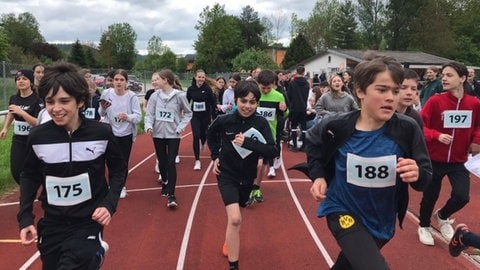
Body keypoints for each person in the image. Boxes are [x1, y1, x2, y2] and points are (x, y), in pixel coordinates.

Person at [305, 55, 432, 269]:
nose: (391, 97)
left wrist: (417, 172)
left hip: (381, 219)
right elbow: (312, 142)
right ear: (360, 92)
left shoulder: (408, 128)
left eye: (395, 90)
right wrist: (318, 175)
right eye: (382, 90)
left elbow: (425, 178)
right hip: (342, 209)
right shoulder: (336, 126)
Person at [17, 62, 127, 269]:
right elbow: (29, 175)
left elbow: (119, 169)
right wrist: (25, 217)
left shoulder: (101, 133)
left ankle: (93, 252)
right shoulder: (38, 136)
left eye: (64, 101)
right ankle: (96, 253)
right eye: (50, 102)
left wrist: (109, 203)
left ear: (80, 102)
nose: (56, 109)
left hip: (88, 219)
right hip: (52, 221)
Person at [207, 80, 278, 270]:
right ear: (236, 100)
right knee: (236, 218)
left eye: (252, 102)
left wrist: (249, 143)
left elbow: (273, 151)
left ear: (257, 103)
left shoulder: (261, 123)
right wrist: (215, 156)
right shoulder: (224, 120)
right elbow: (211, 134)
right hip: (226, 174)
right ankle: (233, 266)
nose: (247, 106)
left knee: (235, 218)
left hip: (247, 177)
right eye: (243, 101)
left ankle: (229, 238)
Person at [417, 61, 480, 246]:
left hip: (459, 160)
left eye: (449, 75)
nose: (444, 78)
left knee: (462, 196)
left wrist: (477, 141)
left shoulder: (474, 103)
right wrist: (437, 136)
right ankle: (424, 225)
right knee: (430, 196)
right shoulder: (436, 101)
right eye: (443, 75)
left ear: (462, 78)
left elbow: (478, 125)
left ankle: (442, 216)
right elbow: (420, 127)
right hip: (434, 159)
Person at [144, 69, 192, 208]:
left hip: (173, 134)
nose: (155, 81)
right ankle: (164, 181)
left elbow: (188, 113)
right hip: (157, 134)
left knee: (171, 162)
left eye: (157, 79)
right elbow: (150, 114)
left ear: (165, 80)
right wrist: (148, 126)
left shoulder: (180, 96)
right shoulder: (154, 96)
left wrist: (180, 127)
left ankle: (172, 195)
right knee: (162, 162)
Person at [247, 69, 288, 205]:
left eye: (268, 88)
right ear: (257, 84)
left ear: (274, 85)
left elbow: (286, 113)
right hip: (253, 135)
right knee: (254, 164)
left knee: (262, 164)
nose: (264, 90)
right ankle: (250, 186)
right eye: (262, 87)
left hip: (269, 135)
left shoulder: (278, 96)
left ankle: (256, 187)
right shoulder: (253, 96)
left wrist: (284, 109)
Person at [99, 69, 142, 198]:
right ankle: (112, 184)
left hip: (126, 134)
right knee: (111, 161)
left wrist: (127, 117)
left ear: (126, 82)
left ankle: (121, 186)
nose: (118, 82)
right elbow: (101, 113)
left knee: (123, 162)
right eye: (116, 79)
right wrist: (103, 108)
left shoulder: (132, 96)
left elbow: (138, 117)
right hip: (111, 132)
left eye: (121, 80)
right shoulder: (106, 93)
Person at [0, 69, 44, 184]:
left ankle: (34, 189)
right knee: (16, 169)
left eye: (24, 79)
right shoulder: (14, 98)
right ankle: (24, 188)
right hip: (18, 139)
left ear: (31, 82)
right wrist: (5, 128)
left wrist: (22, 113)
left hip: (33, 140)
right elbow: (11, 112)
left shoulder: (37, 100)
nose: (21, 81)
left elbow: (37, 123)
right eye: (18, 79)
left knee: (34, 169)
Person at [186, 69, 218, 171]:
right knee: (196, 136)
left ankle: (203, 142)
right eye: (199, 77)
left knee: (204, 135)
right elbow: (186, 102)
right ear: (195, 77)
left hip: (205, 116)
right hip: (195, 116)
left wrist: (214, 116)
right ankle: (197, 160)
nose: (201, 79)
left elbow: (213, 103)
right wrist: (183, 112)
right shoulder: (191, 89)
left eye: (203, 77)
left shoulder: (207, 89)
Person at [286, 64, 310, 151]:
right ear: (303, 72)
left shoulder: (292, 83)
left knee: (294, 127)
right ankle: (304, 145)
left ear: (296, 72)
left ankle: (295, 145)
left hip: (294, 107)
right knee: (303, 127)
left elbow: (289, 96)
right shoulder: (306, 83)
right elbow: (307, 95)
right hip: (303, 107)